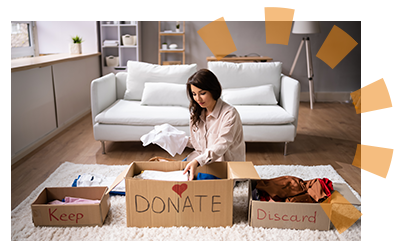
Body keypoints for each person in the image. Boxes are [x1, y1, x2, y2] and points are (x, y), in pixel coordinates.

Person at [182, 69, 245, 181]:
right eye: (194, 94)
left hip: (224, 166)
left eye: (202, 93)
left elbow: (222, 145)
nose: (198, 99)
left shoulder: (229, 114)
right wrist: (175, 139)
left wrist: (197, 161)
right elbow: (197, 143)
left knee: (193, 178)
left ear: (213, 90)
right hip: (204, 161)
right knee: (179, 171)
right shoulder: (196, 113)